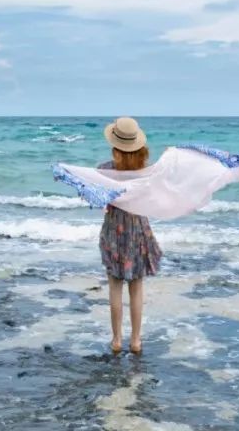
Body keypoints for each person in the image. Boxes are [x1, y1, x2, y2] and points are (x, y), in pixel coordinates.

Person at [98, 116, 163, 354]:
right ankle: (135, 341)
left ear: (115, 144)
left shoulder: (104, 170)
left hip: (114, 229)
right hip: (137, 228)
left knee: (115, 286)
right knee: (136, 287)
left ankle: (116, 340)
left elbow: (100, 200)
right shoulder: (146, 172)